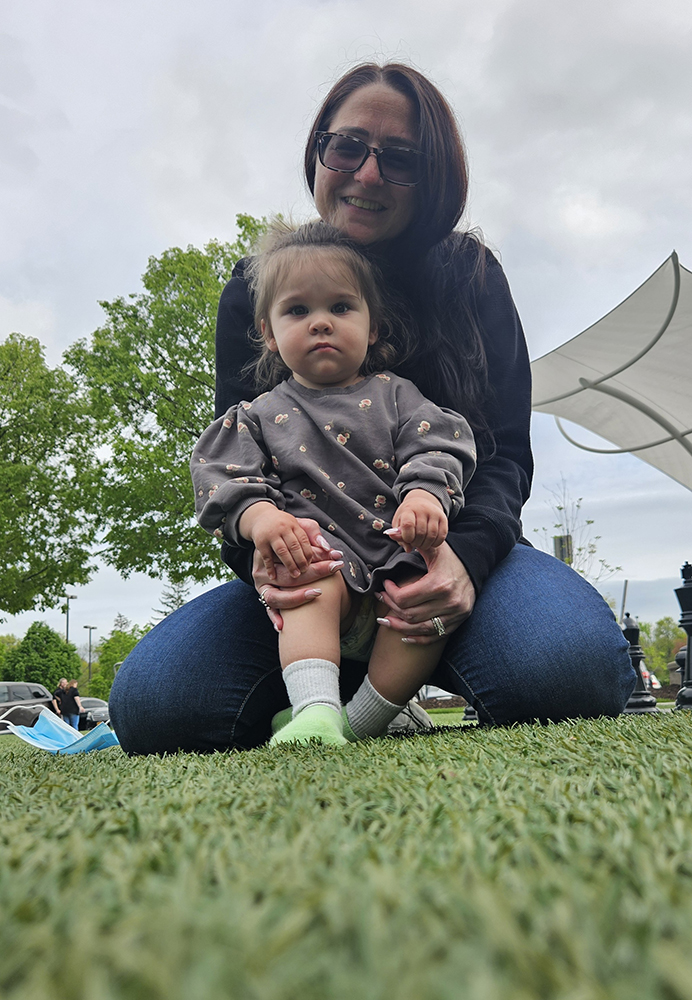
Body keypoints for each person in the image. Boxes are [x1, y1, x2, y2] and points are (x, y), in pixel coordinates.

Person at [109, 62, 634, 755]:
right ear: (319, 150)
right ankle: (319, 694)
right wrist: (264, 556)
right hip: (316, 574)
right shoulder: (255, 286)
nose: (367, 173)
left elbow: (504, 454)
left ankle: (377, 707)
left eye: (401, 158)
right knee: (156, 707)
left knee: (567, 670)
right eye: (348, 146)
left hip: (446, 556)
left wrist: (463, 565)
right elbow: (238, 462)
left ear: (434, 173)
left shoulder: (471, 276)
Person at [191, 221, 476, 745]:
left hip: (400, 561)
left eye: (340, 308)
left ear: (372, 327)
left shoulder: (399, 394)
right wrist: (264, 521)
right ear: (269, 334)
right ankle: (317, 709)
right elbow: (225, 480)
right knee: (305, 585)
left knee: (421, 613)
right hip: (321, 561)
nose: (320, 322)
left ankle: (354, 723)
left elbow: (438, 444)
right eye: (298, 311)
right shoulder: (257, 415)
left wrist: (424, 494)